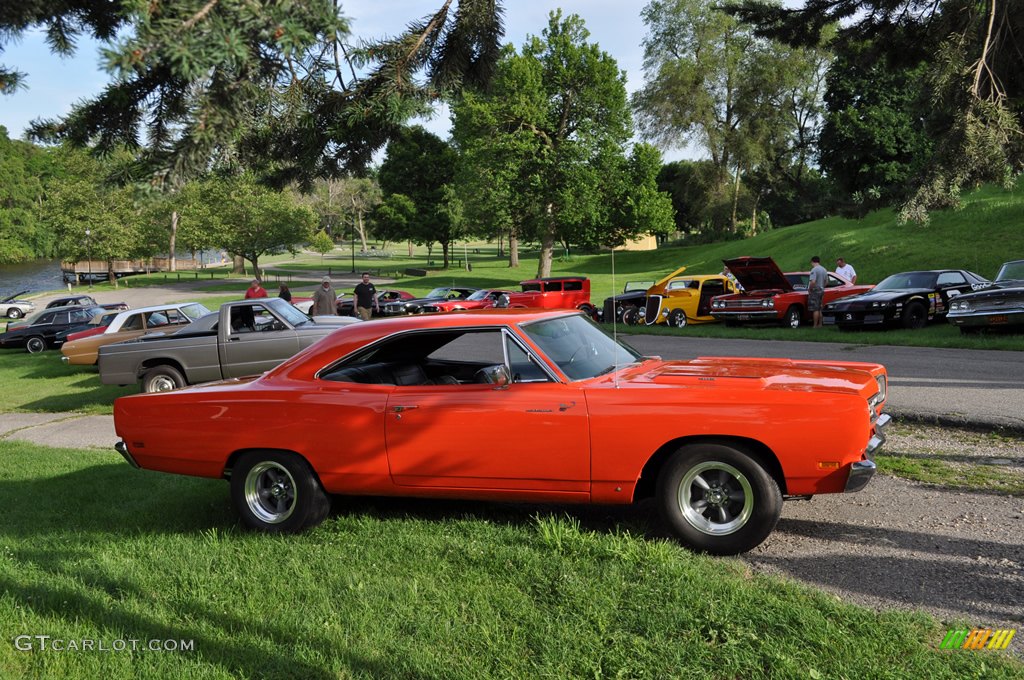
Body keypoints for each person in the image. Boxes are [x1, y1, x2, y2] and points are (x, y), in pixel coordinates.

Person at [808, 256, 828, 328]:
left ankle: (815, 325)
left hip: (815, 290)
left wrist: (810, 289)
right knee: (820, 308)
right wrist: (822, 286)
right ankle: (820, 324)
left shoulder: (814, 270)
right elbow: (826, 281)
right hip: (822, 290)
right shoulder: (824, 269)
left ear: (812, 261)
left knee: (815, 309)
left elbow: (813, 282)